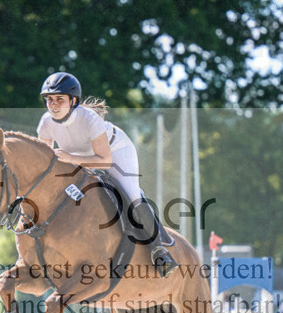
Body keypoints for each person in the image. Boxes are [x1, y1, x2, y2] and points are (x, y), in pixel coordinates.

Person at [35, 71, 178, 276]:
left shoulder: (89, 119)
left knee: (132, 196)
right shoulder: (45, 123)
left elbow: (105, 161)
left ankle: (159, 251)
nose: (53, 105)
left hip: (115, 151)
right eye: (49, 99)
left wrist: (71, 158)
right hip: (76, 157)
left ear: (73, 100)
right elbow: (46, 163)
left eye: (59, 99)